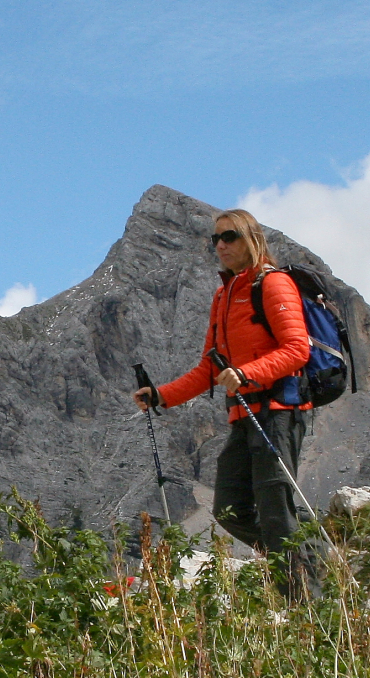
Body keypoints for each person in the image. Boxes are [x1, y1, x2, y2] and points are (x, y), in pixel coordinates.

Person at [133, 208, 320, 596]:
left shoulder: (273, 284)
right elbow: (210, 367)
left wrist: (249, 373)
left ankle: (308, 606)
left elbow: (297, 349)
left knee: (273, 509)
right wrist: (162, 395)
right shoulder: (223, 295)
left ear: (251, 238)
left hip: (279, 412)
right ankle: (308, 558)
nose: (220, 245)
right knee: (229, 508)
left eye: (229, 236)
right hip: (244, 415)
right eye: (215, 239)